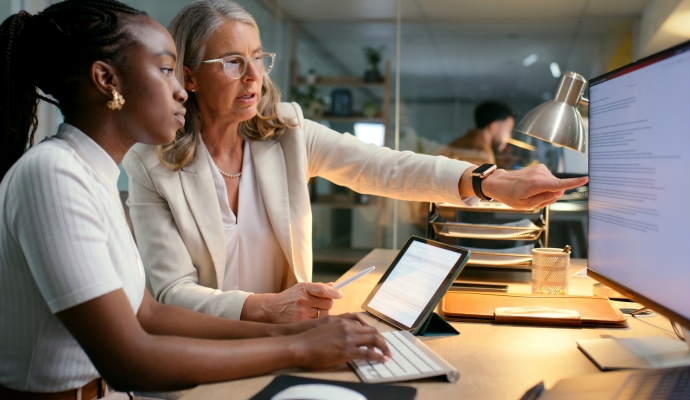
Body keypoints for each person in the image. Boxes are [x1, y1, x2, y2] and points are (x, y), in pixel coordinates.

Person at [0, 2, 390, 399]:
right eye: (166, 70)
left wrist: (294, 335)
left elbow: (147, 314)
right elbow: (131, 360)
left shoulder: (91, 174)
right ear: (107, 81)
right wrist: (299, 351)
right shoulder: (53, 176)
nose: (182, 91)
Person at [122, 0, 588, 324]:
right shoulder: (150, 165)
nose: (253, 76)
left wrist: (490, 182)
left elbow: (385, 167)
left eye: (259, 58)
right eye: (231, 62)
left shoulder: (288, 133)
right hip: (209, 349)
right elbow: (171, 294)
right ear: (189, 77)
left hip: (288, 338)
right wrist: (265, 306)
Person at [446, 100, 515, 166]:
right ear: (494, 127)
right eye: (509, 130)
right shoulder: (481, 153)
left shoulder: (462, 142)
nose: (509, 136)